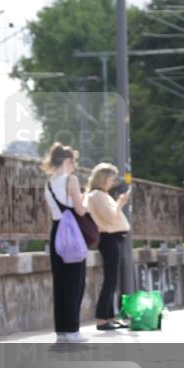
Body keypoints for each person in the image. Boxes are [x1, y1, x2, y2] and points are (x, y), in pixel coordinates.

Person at [41, 143, 89, 344]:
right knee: (75, 282)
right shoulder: (71, 179)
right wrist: (85, 199)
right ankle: (73, 331)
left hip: (56, 233)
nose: (75, 166)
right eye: (74, 161)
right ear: (68, 161)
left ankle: (62, 331)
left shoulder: (49, 182)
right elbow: (80, 210)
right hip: (71, 234)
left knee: (60, 283)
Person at [85, 163, 131, 331]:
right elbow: (110, 218)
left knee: (112, 280)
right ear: (103, 179)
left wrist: (118, 203)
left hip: (112, 238)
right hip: (109, 238)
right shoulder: (97, 195)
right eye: (111, 179)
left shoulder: (101, 195)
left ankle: (108, 317)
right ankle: (102, 319)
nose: (112, 182)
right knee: (110, 280)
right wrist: (121, 203)